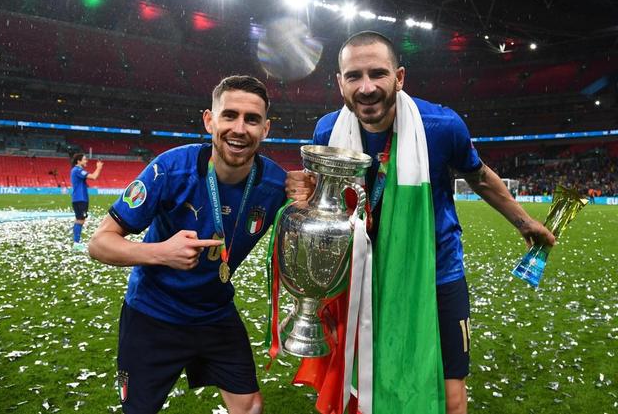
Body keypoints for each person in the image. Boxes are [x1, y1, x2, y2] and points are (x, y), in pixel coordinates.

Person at [286, 31, 556, 414]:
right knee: (362, 387)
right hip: (361, 277)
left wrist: (524, 222)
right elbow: (320, 196)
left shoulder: (441, 126)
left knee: (450, 397)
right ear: (340, 82)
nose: (366, 87)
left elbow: (479, 177)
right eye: (354, 76)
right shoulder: (327, 132)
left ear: (399, 77)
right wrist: (303, 189)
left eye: (378, 73)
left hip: (436, 273)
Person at [88, 75, 286, 414]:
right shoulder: (170, 169)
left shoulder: (277, 184)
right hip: (153, 312)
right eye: (230, 115)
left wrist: (305, 193)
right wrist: (161, 253)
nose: (240, 129)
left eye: (252, 119)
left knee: (250, 406)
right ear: (209, 120)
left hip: (214, 311)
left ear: (265, 129)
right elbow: (99, 243)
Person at [70, 153, 103, 252]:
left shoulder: (76, 170)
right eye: (84, 159)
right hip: (80, 198)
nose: (86, 161)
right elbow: (94, 177)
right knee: (80, 220)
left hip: (78, 198)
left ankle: (76, 242)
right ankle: (76, 243)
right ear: (78, 161)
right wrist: (99, 167)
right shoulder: (78, 170)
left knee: (79, 219)